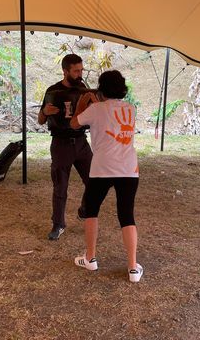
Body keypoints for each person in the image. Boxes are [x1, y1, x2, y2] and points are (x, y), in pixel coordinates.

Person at [70, 70, 143, 282]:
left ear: (101, 89)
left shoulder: (95, 109)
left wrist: (84, 102)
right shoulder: (131, 109)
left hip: (101, 169)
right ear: (122, 89)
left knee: (92, 211)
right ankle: (132, 268)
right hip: (128, 169)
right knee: (126, 215)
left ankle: (90, 258)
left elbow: (74, 123)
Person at [38, 54, 92, 240]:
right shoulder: (52, 91)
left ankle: (84, 210)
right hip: (61, 144)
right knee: (60, 186)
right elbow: (40, 119)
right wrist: (45, 111)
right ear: (65, 71)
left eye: (81, 70)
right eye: (76, 71)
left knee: (94, 181)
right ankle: (58, 224)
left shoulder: (84, 90)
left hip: (81, 142)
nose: (80, 74)